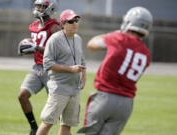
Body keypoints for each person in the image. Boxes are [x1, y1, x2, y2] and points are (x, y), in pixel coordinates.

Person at [77, 7, 153, 135]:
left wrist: (113, 34)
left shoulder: (119, 38)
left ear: (129, 22)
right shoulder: (146, 53)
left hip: (105, 97)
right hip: (126, 103)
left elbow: (92, 44)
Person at [36, 9, 86, 135]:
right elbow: (47, 63)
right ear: (62, 24)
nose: (75, 23)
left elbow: (82, 60)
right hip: (59, 89)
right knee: (47, 122)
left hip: (74, 89)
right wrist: (70, 69)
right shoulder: (54, 39)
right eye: (71, 21)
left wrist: (83, 77)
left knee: (67, 125)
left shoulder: (78, 39)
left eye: (76, 20)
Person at [18, 0, 60, 135]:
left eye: (42, 6)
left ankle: (63, 132)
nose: (38, 8)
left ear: (50, 8)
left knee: (56, 107)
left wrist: (36, 47)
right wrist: (26, 49)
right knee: (22, 96)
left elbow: (57, 50)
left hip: (52, 69)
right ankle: (34, 128)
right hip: (37, 68)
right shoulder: (34, 25)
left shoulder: (54, 26)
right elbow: (36, 48)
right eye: (37, 5)